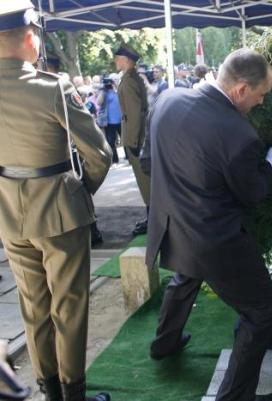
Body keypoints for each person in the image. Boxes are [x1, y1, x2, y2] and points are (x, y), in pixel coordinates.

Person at [146, 49, 272, 401]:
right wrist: (271, 167)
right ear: (241, 89)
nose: (262, 101)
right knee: (261, 311)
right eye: (261, 95)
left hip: (172, 222)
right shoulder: (239, 134)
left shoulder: (167, 99)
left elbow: (148, 161)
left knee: (186, 275)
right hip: (214, 239)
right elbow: (253, 193)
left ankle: (164, 343)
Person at [0, 2, 113, 401]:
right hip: (60, 212)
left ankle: (49, 391)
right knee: (70, 306)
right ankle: (72, 392)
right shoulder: (52, 87)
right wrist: (81, 193)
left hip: (10, 216)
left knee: (33, 306)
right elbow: (100, 154)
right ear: (30, 38)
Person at [115, 44, 151, 235]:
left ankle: (153, 218)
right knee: (145, 179)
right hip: (138, 134)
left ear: (126, 60)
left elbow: (135, 113)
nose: (116, 61)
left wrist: (134, 142)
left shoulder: (129, 81)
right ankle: (152, 216)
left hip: (136, 136)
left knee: (144, 181)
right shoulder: (133, 78)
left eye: (118, 58)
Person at [96, 77, 122, 164]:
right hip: (109, 122)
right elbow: (98, 102)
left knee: (125, 139)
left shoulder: (117, 90)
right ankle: (114, 159)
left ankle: (129, 157)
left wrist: (115, 85)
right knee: (111, 142)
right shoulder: (104, 92)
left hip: (121, 120)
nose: (108, 84)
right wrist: (103, 90)